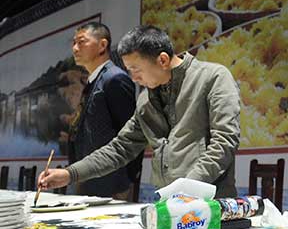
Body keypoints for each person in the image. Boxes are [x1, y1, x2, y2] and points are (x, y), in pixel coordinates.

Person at [39, 25, 242, 198]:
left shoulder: (213, 78)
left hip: (210, 203)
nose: (133, 78)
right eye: (129, 70)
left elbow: (224, 142)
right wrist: (70, 174)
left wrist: (185, 190)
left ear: (162, 60)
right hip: (170, 204)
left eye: (136, 69)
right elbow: (120, 148)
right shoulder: (146, 99)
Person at [68, 22, 142, 199]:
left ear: (102, 45)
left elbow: (132, 136)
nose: (75, 48)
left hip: (113, 186)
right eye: (73, 43)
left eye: (82, 42)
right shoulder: (94, 81)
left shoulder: (115, 79)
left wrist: (126, 182)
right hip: (89, 181)